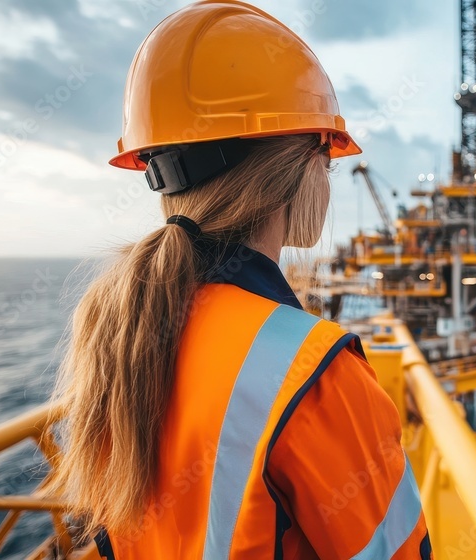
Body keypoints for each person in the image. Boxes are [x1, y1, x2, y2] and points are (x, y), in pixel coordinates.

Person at [47, 2, 430, 558]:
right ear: (296, 167)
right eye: (327, 153)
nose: (330, 172)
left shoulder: (118, 338)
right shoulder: (315, 373)